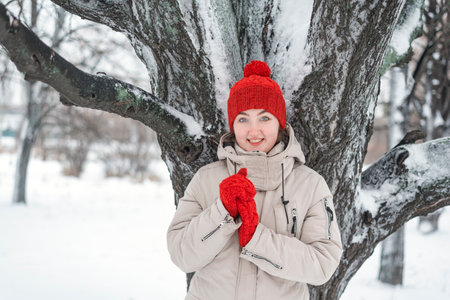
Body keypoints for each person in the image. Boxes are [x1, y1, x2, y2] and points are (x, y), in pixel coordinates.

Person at [167, 60, 343, 300]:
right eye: (243, 119)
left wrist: (257, 240)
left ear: (279, 122)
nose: (253, 131)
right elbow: (182, 255)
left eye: (264, 118)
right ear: (232, 125)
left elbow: (323, 264)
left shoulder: (310, 185)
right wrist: (222, 213)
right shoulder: (206, 179)